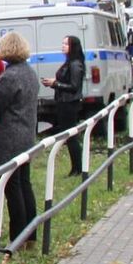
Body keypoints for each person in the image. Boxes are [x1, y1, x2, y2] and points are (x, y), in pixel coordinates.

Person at [0, 31, 41, 250]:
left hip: (9, 137)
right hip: (26, 135)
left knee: (12, 188)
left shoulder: (8, 78)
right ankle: (31, 235)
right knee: (24, 183)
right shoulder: (30, 73)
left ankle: (17, 238)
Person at [47, 34, 88, 174]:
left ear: (73, 47)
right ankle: (76, 167)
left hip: (69, 103)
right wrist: (55, 83)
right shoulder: (69, 63)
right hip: (63, 101)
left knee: (71, 136)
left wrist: (56, 84)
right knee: (68, 136)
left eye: (66, 44)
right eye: (63, 43)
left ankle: (78, 167)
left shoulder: (75, 64)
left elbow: (74, 86)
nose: (63, 46)